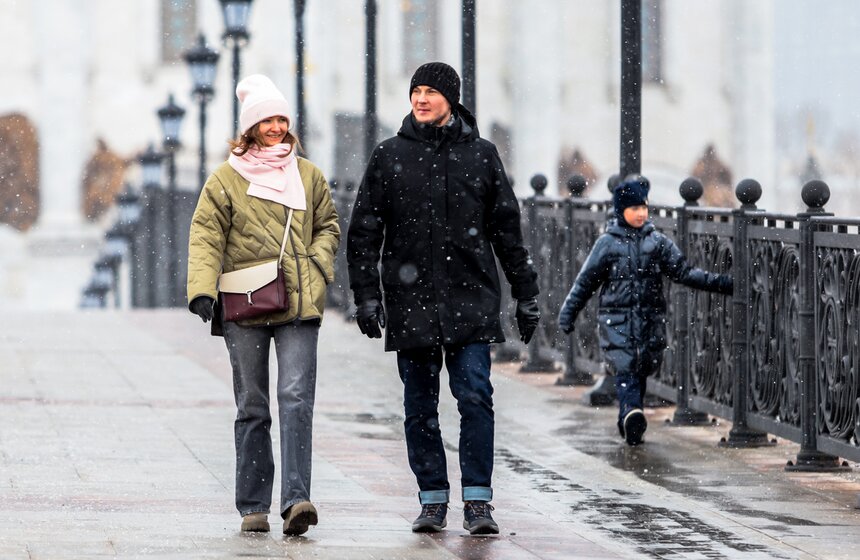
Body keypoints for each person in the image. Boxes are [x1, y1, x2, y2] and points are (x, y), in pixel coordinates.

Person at [347, 62, 540, 535]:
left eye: (431, 91)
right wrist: (367, 297)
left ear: (451, 99)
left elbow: (507, 231)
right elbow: (364, 233)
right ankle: (432, 498)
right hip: (411, 301)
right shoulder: (390, 155)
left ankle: (478, 501)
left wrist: (526, 294)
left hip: (470, 298)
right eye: (416, 91)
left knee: (475, 397)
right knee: (419, 405)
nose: (421, 98)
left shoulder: (481, 156)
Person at [186, 74, 340, 535]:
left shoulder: (308, 174)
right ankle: (253, 504)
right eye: (267, 120)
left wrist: (315, 263)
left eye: (281, 119)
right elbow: (206, 234)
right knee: (253, 405)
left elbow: (329, 225)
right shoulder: (226, 179)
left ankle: (296, 500)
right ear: (250, 127)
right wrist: (201, 290)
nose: (276, 127)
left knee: (296, 399)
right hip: (246, 304)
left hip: (297, 304)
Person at [557, 176, 732, 446]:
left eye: (643, 208)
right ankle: (631, 413)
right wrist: (568, 313)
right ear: (620, 212)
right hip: (616, 321)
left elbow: (683, 272)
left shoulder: (657, 242)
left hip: (650, 319)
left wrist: (722, 283)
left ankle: (628, 418)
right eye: (634, 209)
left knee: (641, 368)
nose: (640, 214)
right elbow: (586, 282)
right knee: (625, 370)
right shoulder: (607, 244)